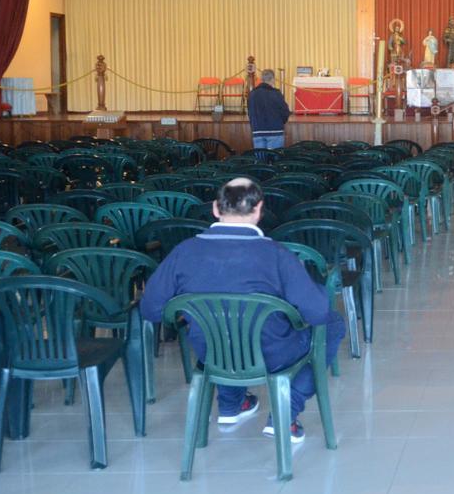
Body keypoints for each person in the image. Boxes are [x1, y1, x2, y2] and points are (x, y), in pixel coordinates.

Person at [139, 178, 346, 445]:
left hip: (212, 354)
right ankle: (286, 411)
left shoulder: (184, 252)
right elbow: (317, 313)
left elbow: (151, 309)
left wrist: (187, 314)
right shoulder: (276, 254)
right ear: (259, 209)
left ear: (215, 208)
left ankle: (231, 405)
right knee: (333, 324)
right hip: (273, 354)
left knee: (223, 329)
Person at [248, 69, 291, 150]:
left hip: (257, 131)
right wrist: (281, 122)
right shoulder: (276, 93)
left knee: (261, 160)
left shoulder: (252, 94)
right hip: (275, 131)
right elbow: (285, 112)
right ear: (273, 79)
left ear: (262, 79)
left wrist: (255, 125)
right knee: (275, 160)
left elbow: (250, 113)